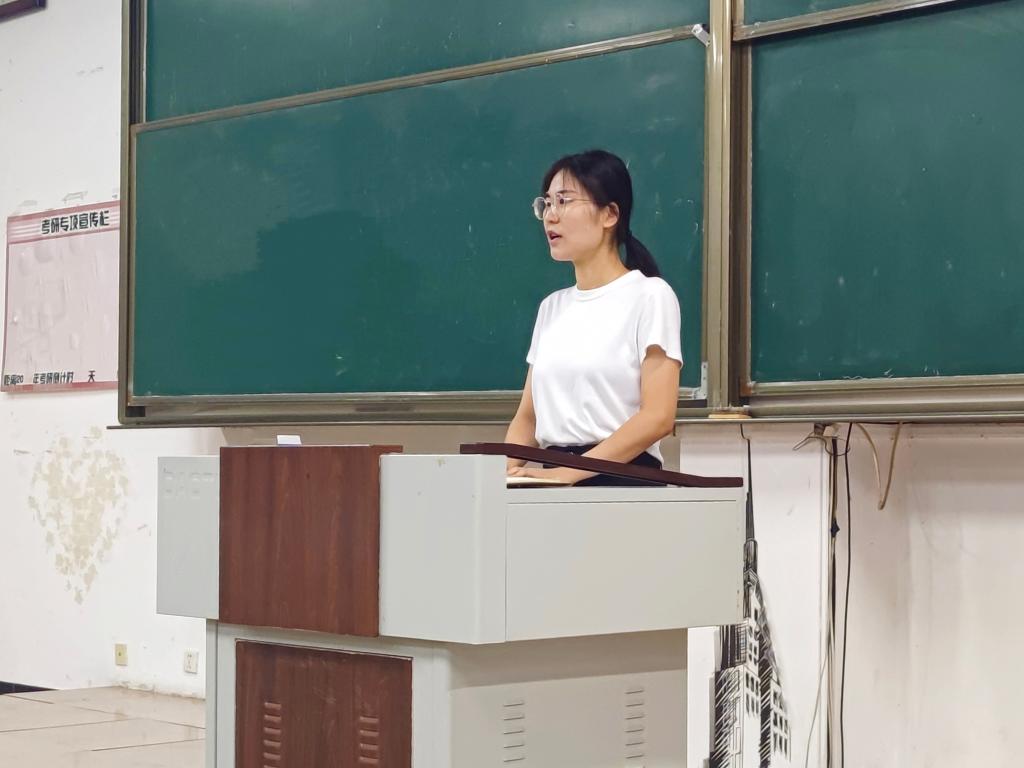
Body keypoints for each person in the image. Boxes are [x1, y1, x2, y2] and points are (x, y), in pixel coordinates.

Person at [505, 149, 684, 486]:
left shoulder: (650, 295)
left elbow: (658, 417)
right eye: (546, 204)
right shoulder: (551, 307)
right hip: (551, 482)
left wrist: (568, 474)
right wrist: (495, 477)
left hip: (623, 482)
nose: (550, 216)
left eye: (564, 201)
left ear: (609, 214)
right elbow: (527, 419)